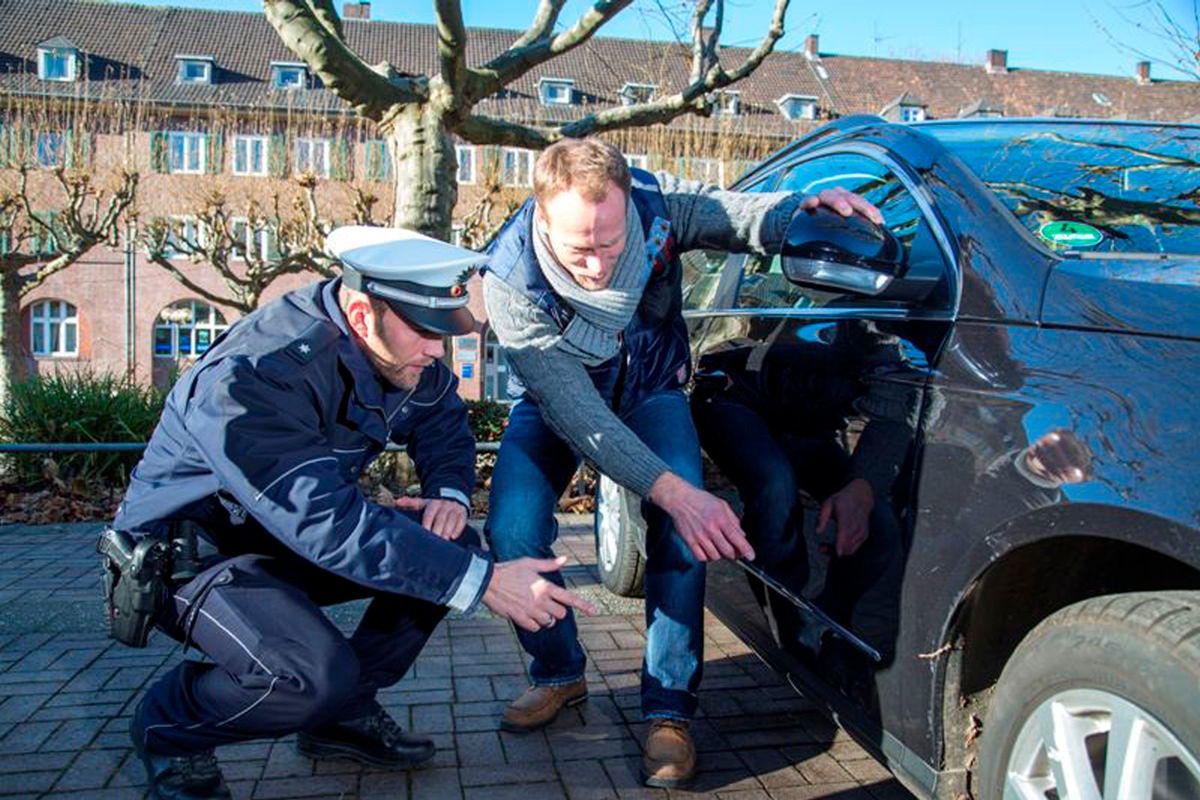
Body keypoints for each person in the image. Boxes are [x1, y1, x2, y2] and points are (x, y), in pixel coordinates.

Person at [112, 226, 595, 800]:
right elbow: (328, 524)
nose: (437, 350)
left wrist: (448, 493)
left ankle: (341, 715)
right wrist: (488, 584)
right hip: (194, 559)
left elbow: (441, 417)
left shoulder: (397, 353)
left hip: (282, 539)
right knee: (309, 674)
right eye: (426, 331)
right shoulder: (252, 377)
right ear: (364, 316)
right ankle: (171, 730)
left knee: (451, 544)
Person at [481, 138, 880, 788]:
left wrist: (807, 209)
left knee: (681, 534)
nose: (599, 265)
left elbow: (739, 216)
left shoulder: (658, 211)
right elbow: (583, 421)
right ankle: (557, 674)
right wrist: (672, 488)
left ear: (629, 211)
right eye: (578, 247)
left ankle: (670, 712)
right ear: (540, 219)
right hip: (565, 397)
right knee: (512, 531)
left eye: (612, 243)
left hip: (651, 390)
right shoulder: (509, 280)